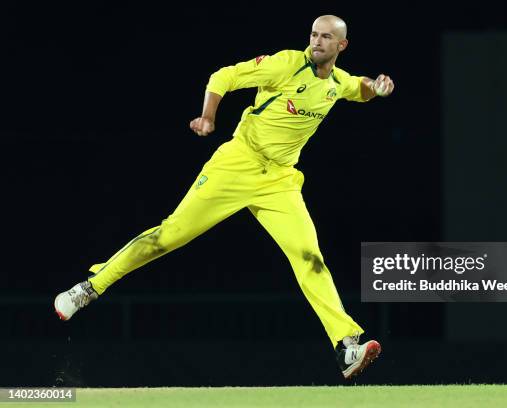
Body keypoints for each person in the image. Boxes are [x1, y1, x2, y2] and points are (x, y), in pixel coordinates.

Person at [54, 15, 394, 379]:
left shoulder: (336, 82)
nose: (316, 42)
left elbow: (356, 87)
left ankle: (346, 346)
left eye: (326, 37)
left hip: (279, 181)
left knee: (310, 258)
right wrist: (207, 117)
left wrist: (376, 85)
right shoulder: (285, 65)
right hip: (236, 165)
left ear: (341, 46)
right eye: (313, 34)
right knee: (169, 236)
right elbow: (223, 76)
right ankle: (90, 287)